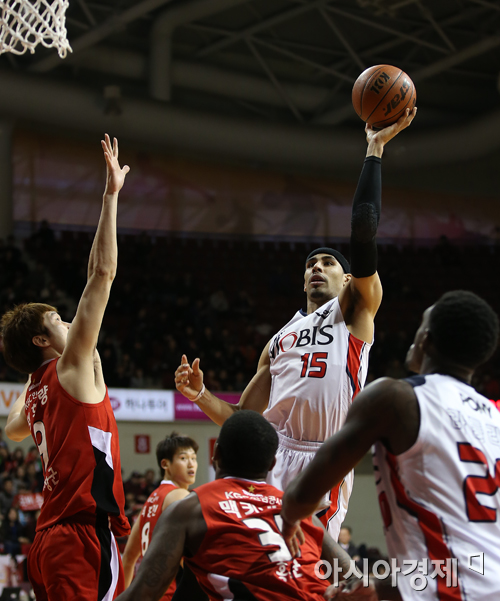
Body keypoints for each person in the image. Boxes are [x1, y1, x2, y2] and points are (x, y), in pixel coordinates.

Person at [175, 108, 417, 539]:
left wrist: (374, 150)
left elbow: (363, 229)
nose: (316, 268)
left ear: (348, 279)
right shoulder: (279, 339)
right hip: (272, 456)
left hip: (325, 456)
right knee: (260, 559)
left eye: (328, 263)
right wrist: (199, 394)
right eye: (310, 264)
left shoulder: (355, 311)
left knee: (306, 561)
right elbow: (240, 418)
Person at [281, 290, 500, 600]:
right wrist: (376, 588)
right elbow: (470, 565)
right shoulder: (494, 416)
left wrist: (291, 518)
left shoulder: (395, 398)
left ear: (426, 340)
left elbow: (300, 497)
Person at [1, 134, 131, 601]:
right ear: (42, 341)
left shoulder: (35, 391)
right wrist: (110, 196)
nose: (68, 320)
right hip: (81, 531)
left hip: (49, 539)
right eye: (57, 319)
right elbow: (102, 273)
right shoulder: (72, 365)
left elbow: (14, 430)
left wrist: (29, 371)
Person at [115, 410, 360, 601]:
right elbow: (355, 580)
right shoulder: (299, 514)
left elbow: (143, 594)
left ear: (216, 454)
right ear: (272, 464)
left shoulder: (189, 508)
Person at [121, 432, 199, 599]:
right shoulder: (179, 496)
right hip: (168, 594)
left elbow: (128, 558)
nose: (191, 464)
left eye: (194, 458)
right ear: (165, 464)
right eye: (183, 458)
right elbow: (193, 559)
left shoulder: (150, 501)